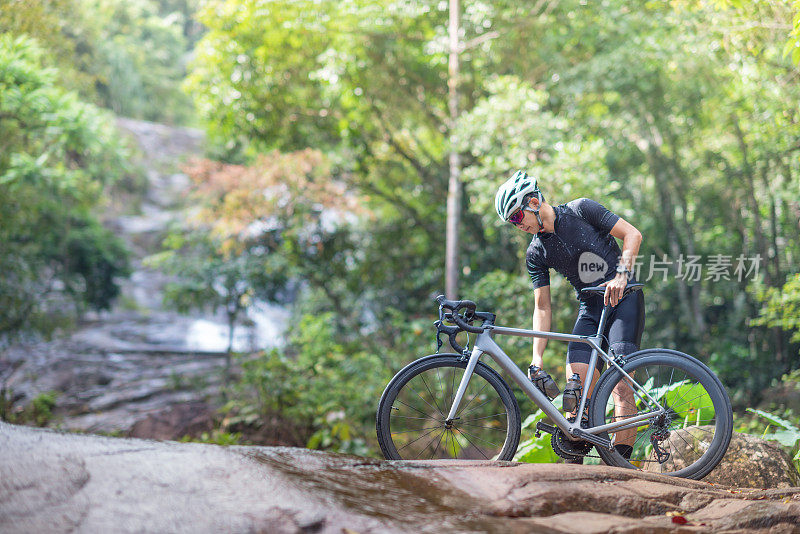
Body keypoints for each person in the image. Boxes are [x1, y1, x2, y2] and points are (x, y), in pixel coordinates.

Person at [495, 170, 645, 463]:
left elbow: (632, 234)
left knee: (621, 386)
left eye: (516, 217)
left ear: (534, 202)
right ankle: (576, 465)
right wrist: (536, 357)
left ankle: (620, 467)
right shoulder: (536, 252)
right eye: (512, 222)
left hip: (624, 300)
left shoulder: (581, 209)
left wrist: (621, 275)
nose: (518, 226)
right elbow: (542, 307)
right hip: (590, 309)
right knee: (576, 397)